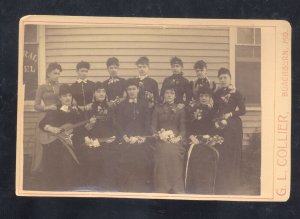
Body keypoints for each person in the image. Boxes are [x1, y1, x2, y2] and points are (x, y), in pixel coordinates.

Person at [38, 84, 84, 191]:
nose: (67, 98)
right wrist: (51, 128)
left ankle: (69, 188)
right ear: (60, 98)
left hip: (70, 141)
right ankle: (56, 188)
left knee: (69, 160)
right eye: (64, 96)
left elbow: (80, 128)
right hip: (55, 142)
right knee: (58, 158)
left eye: (69, 96)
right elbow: (42, 124)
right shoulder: (54, 110)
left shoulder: (75, 111)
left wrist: (73, 134)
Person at [78, 82, 118, 191]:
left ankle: (107, 190)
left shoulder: (110, 107)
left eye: (103, 91)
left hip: (108, 140)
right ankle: (92, 189)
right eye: (98, 91)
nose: (101, 94)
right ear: (94, 94)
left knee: (108, 157)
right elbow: (83, 129)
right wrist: (90, 124)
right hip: (93, 140)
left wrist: (113, 137)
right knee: (91, 157)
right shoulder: (89, 108)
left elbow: (115, 125)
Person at [115, 78, 153, 192]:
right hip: (127, 139)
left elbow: (148, 123)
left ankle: (141, 187)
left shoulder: (144, 104)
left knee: (143, 157)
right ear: (126, 91)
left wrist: (143, 137)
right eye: (129, 89)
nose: (131, 91)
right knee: (126, 157)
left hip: (141, 139)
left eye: (134, 89)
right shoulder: (121, 106)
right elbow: (119, 124)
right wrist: (125, 137)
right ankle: (127, 188)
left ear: (138, 90)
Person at [213, 67, 246, 195]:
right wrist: (216, 120)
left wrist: (231, 114)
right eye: (220, 78)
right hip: (221, 125)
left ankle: (233, 183)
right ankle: (222, 183)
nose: (223, 80)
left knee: (233, 152)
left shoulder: (236, 93)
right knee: (223, 151)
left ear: (230, 78)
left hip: (233, 126)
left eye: (225, 77)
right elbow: (215, 110)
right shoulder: (216, 94)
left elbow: (243, 110)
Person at [185, 86, 220, 194]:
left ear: (210, 97)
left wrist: (211, 138)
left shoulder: (213, 111)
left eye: (206, 96)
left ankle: (206, 190)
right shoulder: (193, 110)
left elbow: (215, 128)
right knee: (195, 158)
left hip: (208, 140)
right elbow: (188, 126)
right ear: (198, 97)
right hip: (194, 140)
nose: (203, 98)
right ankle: (193, 189)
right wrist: (191, 136)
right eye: (201, 96)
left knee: (207, 160)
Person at [151, 84, 186, 193]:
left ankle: (176, 186)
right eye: (167, 93)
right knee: (163, 153)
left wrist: (178, 138)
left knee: (174, 153)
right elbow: (152, 126)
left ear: (175, 96)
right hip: (161, 139)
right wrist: (159, 135)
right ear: (163, 94)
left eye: (172, 93)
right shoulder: (157, 108)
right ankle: (163, 187)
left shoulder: (180, 109)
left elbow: (183, 128)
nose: (169, 95)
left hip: (175, 140)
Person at [31, 62, 62, 174]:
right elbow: (36, 105)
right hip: (45, 117)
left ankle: (56, 166)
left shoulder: (61, 87)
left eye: (59, 74)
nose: (57, 76)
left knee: (56, 141)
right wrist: (48, 107)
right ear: (48, 73)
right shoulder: (42, 87)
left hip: (57, 117)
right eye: (55, 73)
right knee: (44, 142)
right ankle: (41, 168)